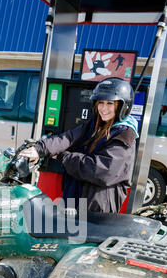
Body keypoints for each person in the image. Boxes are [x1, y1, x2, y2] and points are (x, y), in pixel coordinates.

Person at [21, 77, 139, 213]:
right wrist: (39, 149)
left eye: (110, 103)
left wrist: (63, 157)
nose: (103, 108)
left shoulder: (124, 135)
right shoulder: (95, 124)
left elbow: (102, 170)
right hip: (75, 199)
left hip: (97, 208)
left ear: (123, 106)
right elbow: (68, 137)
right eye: (100, 102)